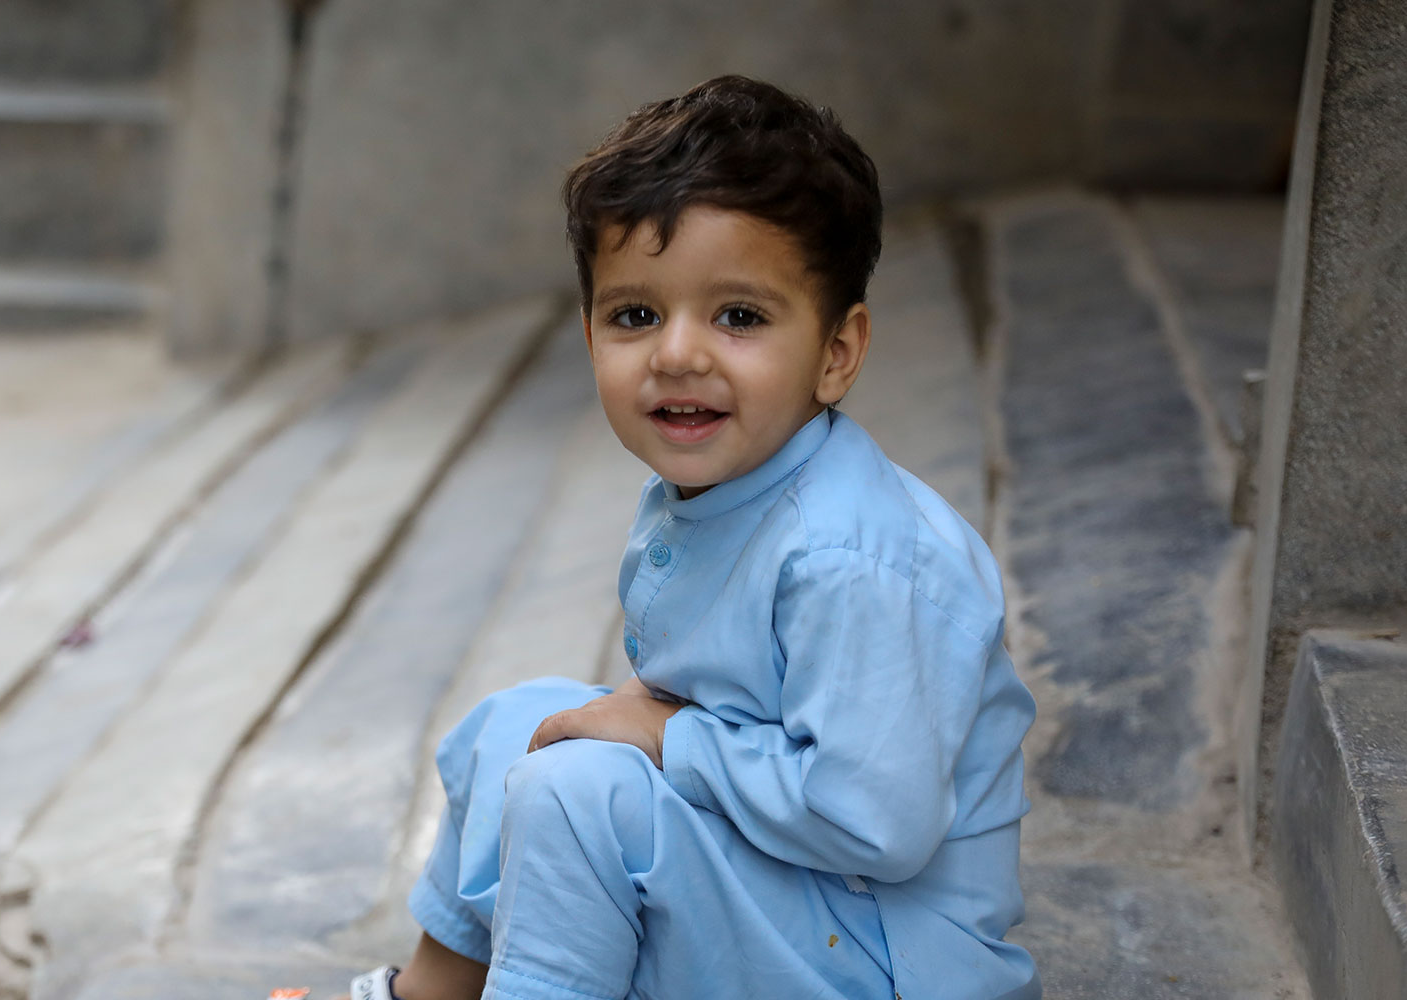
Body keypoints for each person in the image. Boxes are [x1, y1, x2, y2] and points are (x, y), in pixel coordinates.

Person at [341, 75, 1038, 1000]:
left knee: (575, 797)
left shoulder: (849, 555)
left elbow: (874, 823)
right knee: (517, 728)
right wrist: (645, 728)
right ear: (591, 337)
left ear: (837, 352)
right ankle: (432, 992)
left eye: (739, 316)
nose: (677, 353)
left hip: (882, 950)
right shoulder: (723, 488)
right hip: (795, 889)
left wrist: (667, 739)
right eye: (636, 315)